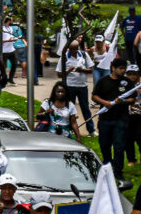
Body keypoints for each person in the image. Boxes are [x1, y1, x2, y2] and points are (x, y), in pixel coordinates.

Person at [92, 57, 136, 188]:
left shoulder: (127, 82)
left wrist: (122, 101)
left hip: (121, 120)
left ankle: (117, 172)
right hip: (105, 119)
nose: (122, 71)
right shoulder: (103, 81)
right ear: (113, 68)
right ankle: (106, 166)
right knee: (104, 145)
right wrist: (105, 103)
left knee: (119, 146)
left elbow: (133, 99)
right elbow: (94, 96)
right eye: (120, 68)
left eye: (124, 69)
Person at [56, 39, 95, 135]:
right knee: (69, 108)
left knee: (85, 108)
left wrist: (82, 70)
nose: (73, 51)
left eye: (75, 49)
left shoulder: (84, 55)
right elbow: (59, 74)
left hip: (82, 86)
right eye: (71, 49)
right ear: (68, 49)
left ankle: (91, 130)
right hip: (70, 86)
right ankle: (70, 129)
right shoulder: (64, 57)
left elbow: (91, 70)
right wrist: (68, 71)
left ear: (78, 48)